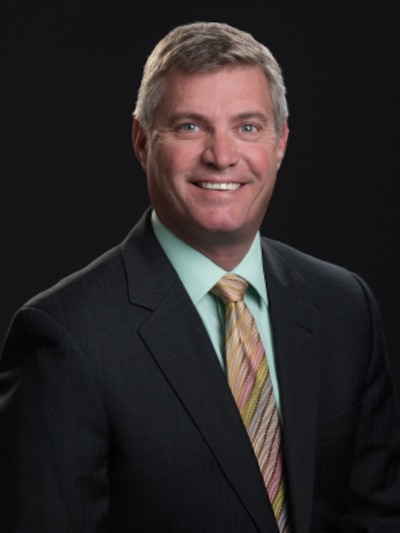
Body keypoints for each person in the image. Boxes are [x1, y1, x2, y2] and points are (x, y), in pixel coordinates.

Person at [0, 20, 399, 533]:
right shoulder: (64, 338)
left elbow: (376, 516)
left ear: (280, 142)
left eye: (248, 127)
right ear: (143, 142)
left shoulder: (345, 305)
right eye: (190, 126)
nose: (222, 155)